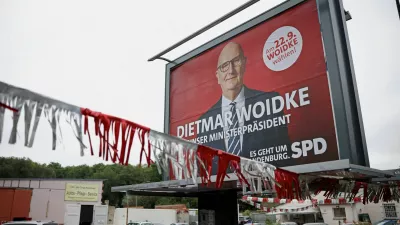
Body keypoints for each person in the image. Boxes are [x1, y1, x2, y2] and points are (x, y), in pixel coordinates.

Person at [198, 42, 291, 170]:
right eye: (224, 66)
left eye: (236, 61)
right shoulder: (204, 121)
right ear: (217, 76)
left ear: (244, 64)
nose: (231, 71)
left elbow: (286, 158)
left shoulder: (269, 101)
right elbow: (203, 171)